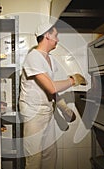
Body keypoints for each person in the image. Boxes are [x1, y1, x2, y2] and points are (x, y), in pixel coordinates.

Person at [19, 21, 87, 169]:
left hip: (46, 112)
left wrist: (64, 109)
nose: (58, 39)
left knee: (50, 154)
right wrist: (73, 80)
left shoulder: (49, 60)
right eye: (55, 35)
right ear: (47, 35)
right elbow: (51, 88)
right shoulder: (34, 57)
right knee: (34, 159)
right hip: (33, 114)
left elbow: (52, 89)